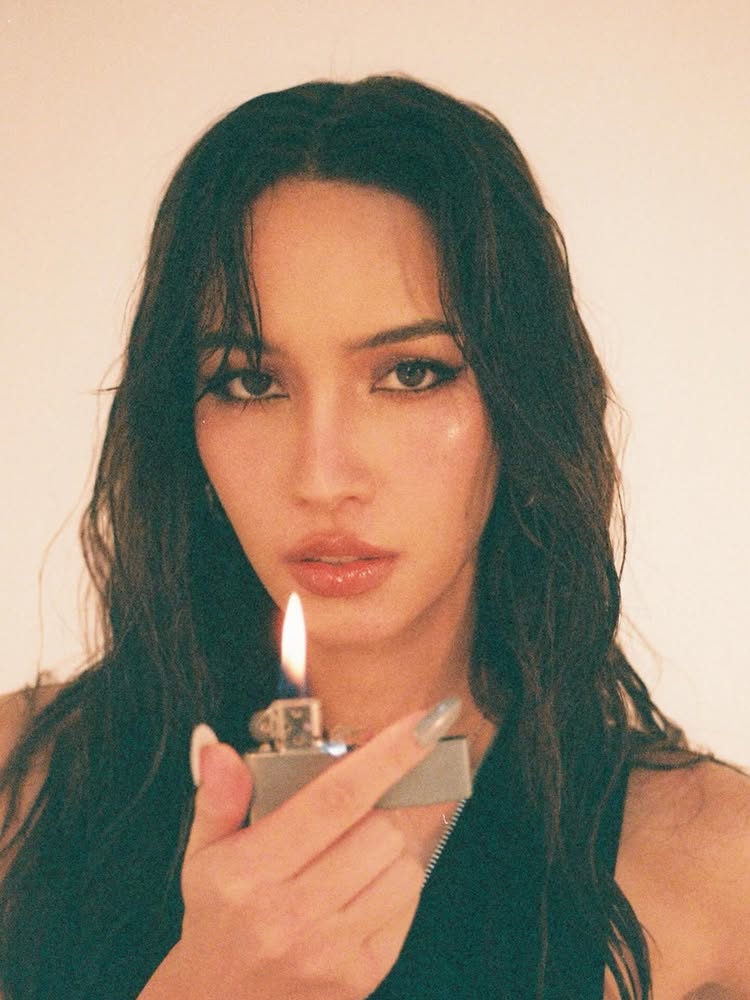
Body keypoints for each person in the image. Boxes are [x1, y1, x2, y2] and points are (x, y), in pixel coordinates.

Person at [0, 75, 748, 1000]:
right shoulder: (24, 787)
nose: (322, 477)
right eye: (250, 383)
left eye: (411, 374)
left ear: (521, 405)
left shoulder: (712, 866)